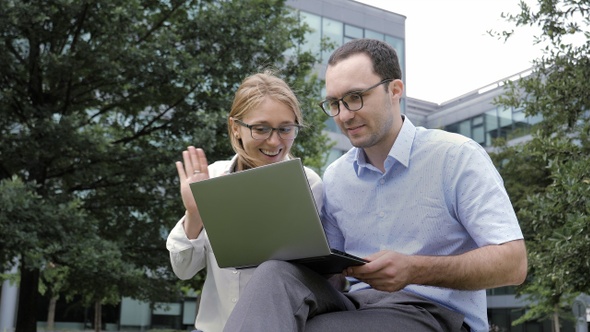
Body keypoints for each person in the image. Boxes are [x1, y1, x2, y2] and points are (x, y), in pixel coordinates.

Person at [222, 39, 528, 332]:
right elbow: (325, 274)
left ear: (394, 90)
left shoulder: (456, 156)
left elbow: (513, 264)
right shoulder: (336, 176)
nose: (343, 115)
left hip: (431, 312)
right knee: (274, 274)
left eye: (355, 98)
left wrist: (414, 269)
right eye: (334, 103)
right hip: (357, 307)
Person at [166, 70, 324, 332]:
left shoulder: (309, 185)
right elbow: (183, 270)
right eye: (261, 129)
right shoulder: (211, 178)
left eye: (285, 129)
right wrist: (195, 213)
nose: (275, 141)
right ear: (236, 128)